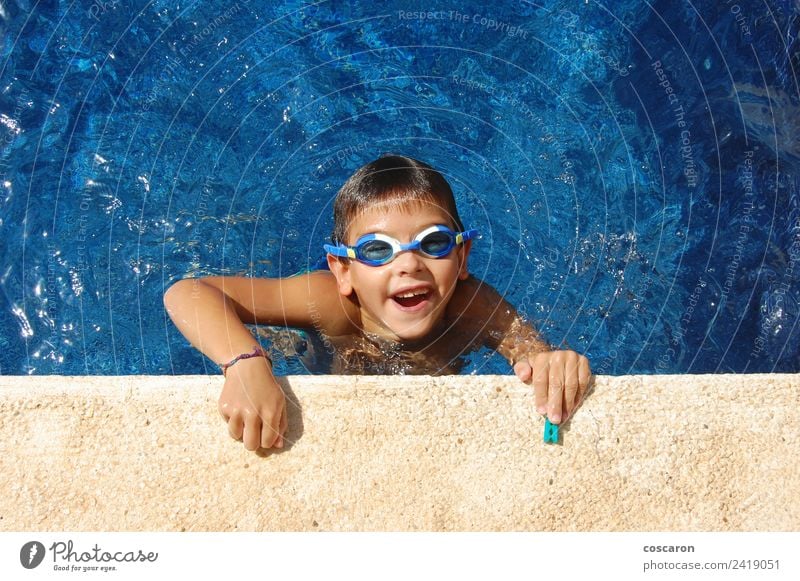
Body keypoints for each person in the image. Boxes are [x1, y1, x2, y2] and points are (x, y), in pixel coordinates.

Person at [163, 154, 592, 453]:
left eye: (434, 243)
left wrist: (556, 364)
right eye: (377, 250)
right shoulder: (329, 301)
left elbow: (538, 359)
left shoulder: (471, 305)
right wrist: (246, 363)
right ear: (343, 270)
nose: (409, 264)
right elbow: (188, 292)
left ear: (462, 257)